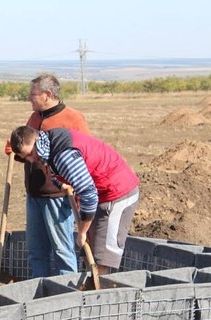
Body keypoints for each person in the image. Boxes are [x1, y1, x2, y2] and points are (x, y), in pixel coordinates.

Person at [10, 125, 140, 275]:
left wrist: (82, 231)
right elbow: (53, 169)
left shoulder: (63, 155)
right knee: (89, 249)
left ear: (36, 139)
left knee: (102, 256)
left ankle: (103, 292)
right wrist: (61, 183)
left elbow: (89, 195)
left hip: (118, 192)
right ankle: (91, 289)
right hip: (101, 192)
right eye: (27, 157)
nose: (32, 160)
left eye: (31, 153)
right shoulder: (48, 142)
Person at [9, 73, 91, 278]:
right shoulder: (35, 117)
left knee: (62, 249)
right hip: (34, 195)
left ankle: (67, 294)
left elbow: (85, 154)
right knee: (36, 251)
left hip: (58, 197)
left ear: (47, 94)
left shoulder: (72, 118)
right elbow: (28, 150)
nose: (29, 98)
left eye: (32, 94)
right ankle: (40, 291)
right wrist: (16, 151)